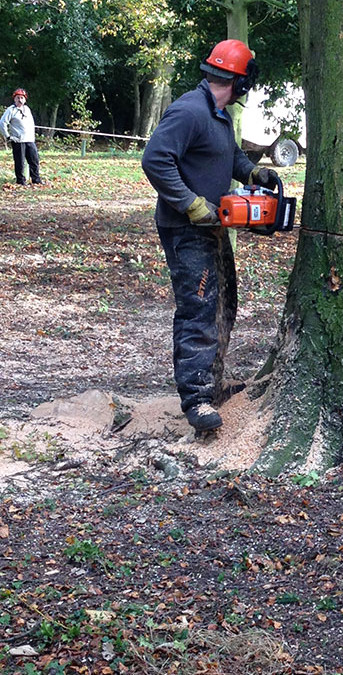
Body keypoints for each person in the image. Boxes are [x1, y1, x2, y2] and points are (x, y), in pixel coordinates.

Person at [141, 39, 279, 433]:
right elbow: (155, 159)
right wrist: (189, 203)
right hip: (186, 228)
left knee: (225, 303)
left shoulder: (217, 114)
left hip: (212, 226)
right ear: (240, 81)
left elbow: (229, 155)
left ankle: (212, 384)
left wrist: (254, 173)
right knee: (199, 308)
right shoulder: (189, 111)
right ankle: (197, 399)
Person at [0, 88, 42, 185]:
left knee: (34, 160)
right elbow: (2, 123)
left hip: (29, 139)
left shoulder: (27, 109)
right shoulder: (10, 110)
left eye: (22, 98)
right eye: (18, 97)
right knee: (20, 162)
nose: (20, 99)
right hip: (18, 140)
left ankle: (36, 180)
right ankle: (21, 181)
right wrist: (7, 136)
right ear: (14, 99)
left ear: (25, 99)